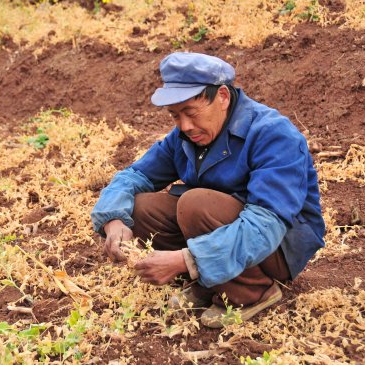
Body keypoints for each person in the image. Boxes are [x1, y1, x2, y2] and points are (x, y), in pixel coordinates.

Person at [90, 52, 325, 328]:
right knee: (141, 208)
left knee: (194, 204)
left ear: (223, 97)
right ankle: (213, 281)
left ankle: (254, 291)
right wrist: (113, 218)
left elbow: (265, 227)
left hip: (279, 246)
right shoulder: (185, 136)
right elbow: (134, 175)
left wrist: (185, 260)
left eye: (191, 112)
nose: (184, 126)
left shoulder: (274, 134)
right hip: (226, 228)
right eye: (175, 116)